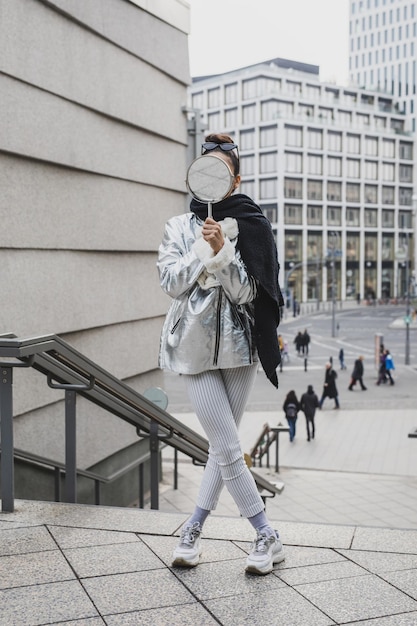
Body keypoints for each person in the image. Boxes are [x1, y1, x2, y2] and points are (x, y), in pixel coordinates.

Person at [157, 133, 285, 576]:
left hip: (240, 346)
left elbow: (251, 292)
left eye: (221, 169)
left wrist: (225, 254)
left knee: (220, 446)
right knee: (228, 444)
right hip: (191, 347)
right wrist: (203, 252)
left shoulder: (250, 222)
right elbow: (172, 284)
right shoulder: (178, 226)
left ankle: (192, 528)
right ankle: (267, 533)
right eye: (205, 167)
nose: (212, 175)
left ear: (235, 179)